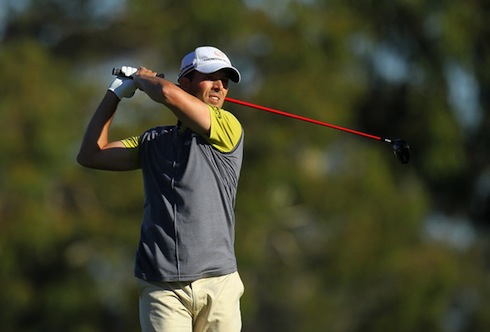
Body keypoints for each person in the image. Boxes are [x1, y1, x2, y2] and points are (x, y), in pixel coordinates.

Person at [77, 46, 245, 332]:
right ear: (185, 82)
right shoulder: (153, 141)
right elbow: (91, 154)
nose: (219, 86)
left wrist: (142, 78)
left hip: (218, 283)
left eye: (225, 80)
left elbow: (166, 94)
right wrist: (115, 94)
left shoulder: (227, 127)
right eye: (210, 77)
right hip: (161, 285)